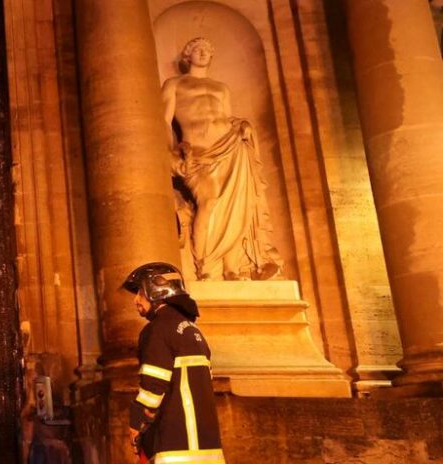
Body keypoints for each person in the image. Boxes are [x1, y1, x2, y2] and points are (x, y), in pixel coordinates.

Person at [162, 37, 282, 281]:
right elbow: (163, 120)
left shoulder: (221, 88)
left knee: (238, 208)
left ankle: (231, 268)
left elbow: (227, 118)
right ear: (187, 56)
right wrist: (169, 151)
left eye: (208, 50)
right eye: (198, 49)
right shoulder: (174, 84)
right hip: (199, 153)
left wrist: (242, 126)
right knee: (210, 202)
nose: (203, 53)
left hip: (231, 147)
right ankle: (205, 265)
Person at [123, 262, 224, 463]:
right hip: (208, 446)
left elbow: (153, 386)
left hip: (174, 446)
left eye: (140, 292)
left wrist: (136, 423)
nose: (136, 300)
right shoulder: (193, 331)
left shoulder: (157, 329)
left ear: (155, 291)